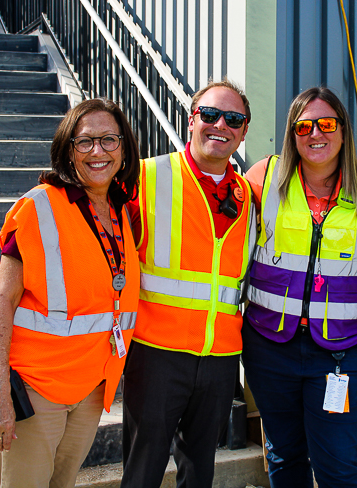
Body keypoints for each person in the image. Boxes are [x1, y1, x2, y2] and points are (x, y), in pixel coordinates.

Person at [0, 98, 141, 488]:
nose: (98, 151)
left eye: (109, 140)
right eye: (85, 142)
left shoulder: (122, 210)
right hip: (36, 390)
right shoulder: (39, 206)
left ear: (124, 147)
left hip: (89, 391)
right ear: (68, 150)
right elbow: (1, 301)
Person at [120, 80, 256, 488]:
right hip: (157, 355)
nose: (221, 125)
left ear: (244, 131)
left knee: (200, 470)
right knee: (143, 469)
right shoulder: (144, 176)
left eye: (233, 119)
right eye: (210, 115)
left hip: (220, 357)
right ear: (191, 120)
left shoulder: (249, 194)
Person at [242, 86, 357, 488]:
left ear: (343, 130)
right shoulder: (264, 177)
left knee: (338, 466)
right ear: (291, 132)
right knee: (284, 458)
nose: (315, 134)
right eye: (303, 126)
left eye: (326, 123)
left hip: (341, 353)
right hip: (270, 348)